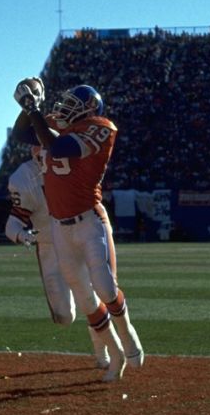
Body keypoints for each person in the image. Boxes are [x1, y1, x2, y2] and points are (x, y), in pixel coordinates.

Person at [13, 77, 143, 382]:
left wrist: (33, 108)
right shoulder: (58, 123)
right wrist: (29, 105)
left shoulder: (100, 127)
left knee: (105, 287)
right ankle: (115, 356)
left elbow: (57, 148)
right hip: (60, 226)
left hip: (89, 220)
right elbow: (22, 132)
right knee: (86, 299)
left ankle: (129, 336)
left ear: (89, 110)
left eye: (72, 106)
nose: (62, 110)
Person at [6, 141, 111, 370]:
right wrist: (26, 237)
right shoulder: (23, 177)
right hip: (49, 246)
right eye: (34, 145)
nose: (39, 149)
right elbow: (12, 224)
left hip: (76, 236)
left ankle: (103, 352)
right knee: (64, 316)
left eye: (43, 143)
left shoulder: (70, 163)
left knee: (91, 298)